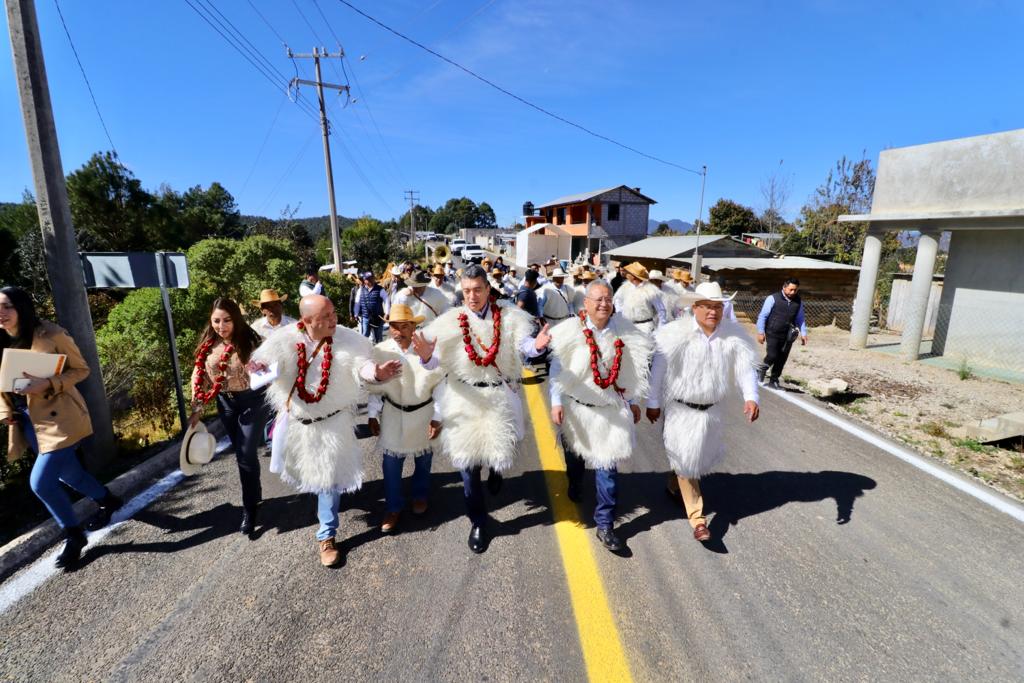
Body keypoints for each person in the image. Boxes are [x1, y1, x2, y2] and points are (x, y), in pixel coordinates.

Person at [411, 264, 552, 553]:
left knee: (500, 449)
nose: (472, 296)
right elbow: (435, 360)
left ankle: (496, 471)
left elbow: (524, 345)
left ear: (488, 289)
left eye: (477, 290)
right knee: (467, 466)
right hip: (464, 398)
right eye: (466, 291)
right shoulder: (451, 322)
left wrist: (537, 346)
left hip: (499, 396)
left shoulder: (509, 317)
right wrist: (425, 357)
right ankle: (478, 522)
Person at [252, 295, 401, 567]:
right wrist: (259, 368)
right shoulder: (284, 341)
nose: (334, 319)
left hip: (333, 427)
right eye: (326, 316)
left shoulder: (348, 339)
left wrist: (378, 373)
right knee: (308, 477)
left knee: (327, 480)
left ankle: (326, 536)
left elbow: (361, 366)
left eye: (334, 313)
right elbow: (263, 369)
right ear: (307, 321)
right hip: (298, 426)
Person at [0, 287, 121, 569]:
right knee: (70, 475)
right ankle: (109, 500)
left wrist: (48, 383)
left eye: (7, 306)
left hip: (60, 418)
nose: (1, 313)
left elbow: (81, 369)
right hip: (27, 421)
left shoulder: (51, 334)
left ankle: (74, 535)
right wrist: (5, 412)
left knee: (40, 483)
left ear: (21, 307)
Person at [646, 282, 760, 543]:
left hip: (711, 412)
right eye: (707, 306)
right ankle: (698, 520)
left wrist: (751, 397)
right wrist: (653, 401)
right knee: (687, 460)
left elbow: (746, 368)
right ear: (694, 307)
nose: (712, 311)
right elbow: (658, 370)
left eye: (717, 306)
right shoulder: (674, 335)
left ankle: (674, 484)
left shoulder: (733, 337)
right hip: (680, 410)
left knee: (691, 460)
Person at [548, 280, 651, 553]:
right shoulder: (569, 332)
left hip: (610, 412)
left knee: (608, 471)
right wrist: (556, 402)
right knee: (575, 458)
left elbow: (631, 371)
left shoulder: (625, 332)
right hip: (577, 409)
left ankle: (605, 524)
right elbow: (557, 369)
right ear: (586, 303)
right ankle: (575, 481)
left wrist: (633, 401)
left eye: (608, 299)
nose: (604, 304)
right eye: (598, 299)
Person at [189, 297, 269, 536]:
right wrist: (197, 409)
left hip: (253, 401)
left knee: (245, 454)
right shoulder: (207, 345)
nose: (221, 326)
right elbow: (199, 376)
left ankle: (249, 509)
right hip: (226, 403)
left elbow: (272, 365)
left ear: (236, 320)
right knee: (242, 456)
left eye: (227, 320)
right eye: (216, 321)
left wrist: (262, 367)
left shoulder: (252, 341)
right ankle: (254, 494)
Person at [366, 305, 444, 534]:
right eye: (393, 326)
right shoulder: (380, 351)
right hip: (393, 413)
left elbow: (441, 384)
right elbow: (376, 388)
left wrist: (437, 417)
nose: (398, 331)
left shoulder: (427, 350)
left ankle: (420, 496)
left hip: (423, 413)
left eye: (404, 326)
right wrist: (372, 414)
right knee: (390, 464)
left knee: (424, 459)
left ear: (413, 327)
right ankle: (393, 508)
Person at [756, 277, 808, 389]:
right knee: (773, 355)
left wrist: (803, 333)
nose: (793, 292)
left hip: (788, 334)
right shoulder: (773, 298)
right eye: (790, 289)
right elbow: (763, 316)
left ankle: (774, 380)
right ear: (784, 287)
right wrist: (760, 332)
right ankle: (762, 368)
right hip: (772, 332)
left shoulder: (798, 301)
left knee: (782, 358)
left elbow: (800, 318)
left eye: (795, 290)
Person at [612, 262, 667, 335]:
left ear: (633, 276)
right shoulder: (625, 288)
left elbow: (661, 310)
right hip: (629, 327)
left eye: (629, 273)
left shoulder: (650, 290)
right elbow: (618, 301)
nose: (626, 274)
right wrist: (621, 316)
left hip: (646, 328)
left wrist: (660, 330)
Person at [353, 271, 389, 343]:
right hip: (366, 318)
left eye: (372, 278)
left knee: (379, 338)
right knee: (364, 338)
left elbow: (387, 301)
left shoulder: (380, 289)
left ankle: (379, 350)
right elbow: (357, 303)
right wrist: (356, 314)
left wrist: (387, 313)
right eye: (368, 279)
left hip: (378, 318)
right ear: (364, 280)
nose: (371, 280)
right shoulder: (360, 290)